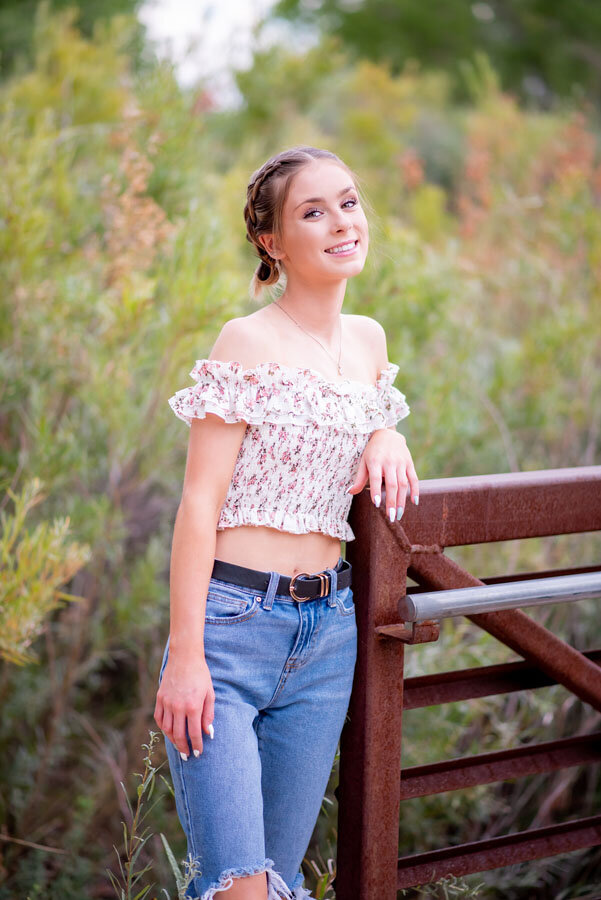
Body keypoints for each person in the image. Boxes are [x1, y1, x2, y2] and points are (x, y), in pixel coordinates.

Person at [154, 145, 419, 900]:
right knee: (237, 887)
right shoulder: (245, 341)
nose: (342, 222)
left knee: (276, 882)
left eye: (348, 201)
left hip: (329, 633)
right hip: (231, 629)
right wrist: (185, 655)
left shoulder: (368, 341)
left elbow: (362, 426)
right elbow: (198, 503)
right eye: (312, 211)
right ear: (272, 242)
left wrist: (384, 431)